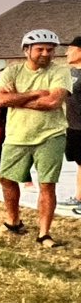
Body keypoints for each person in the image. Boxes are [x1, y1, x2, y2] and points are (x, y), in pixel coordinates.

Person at [0, 29, 72, 247]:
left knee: (47, 184)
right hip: (17, 135)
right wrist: (36, 93)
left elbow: (52, 103)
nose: (46, 53)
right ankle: (13, 222)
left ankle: (44, 233)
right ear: (26, 50)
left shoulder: (60, 72)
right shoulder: (11, 72)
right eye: (40, 49)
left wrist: (16, 99)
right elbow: (1, 100)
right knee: (6, 179)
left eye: (50, 49)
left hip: (51, 135)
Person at [66, 35, 81, 212]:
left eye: (70, 49)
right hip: (73, 125)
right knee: (79, 163)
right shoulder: (70, 73)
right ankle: (78, 197)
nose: (67, 53)